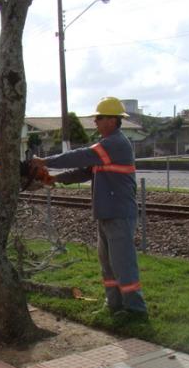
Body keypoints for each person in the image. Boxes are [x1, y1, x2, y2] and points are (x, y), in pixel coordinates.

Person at [31, 97, 147, 318]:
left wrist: (45, 162)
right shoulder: (107, 147)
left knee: (123, 264)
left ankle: (136, 310)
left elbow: (79, 156)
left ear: (113, 120)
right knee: (108, 264)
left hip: (119, 213)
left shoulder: (114, 144)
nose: (95, 122)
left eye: (99, 118)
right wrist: (54, 179)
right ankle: (114, 305)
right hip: (107, 213)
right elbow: (85, 171)